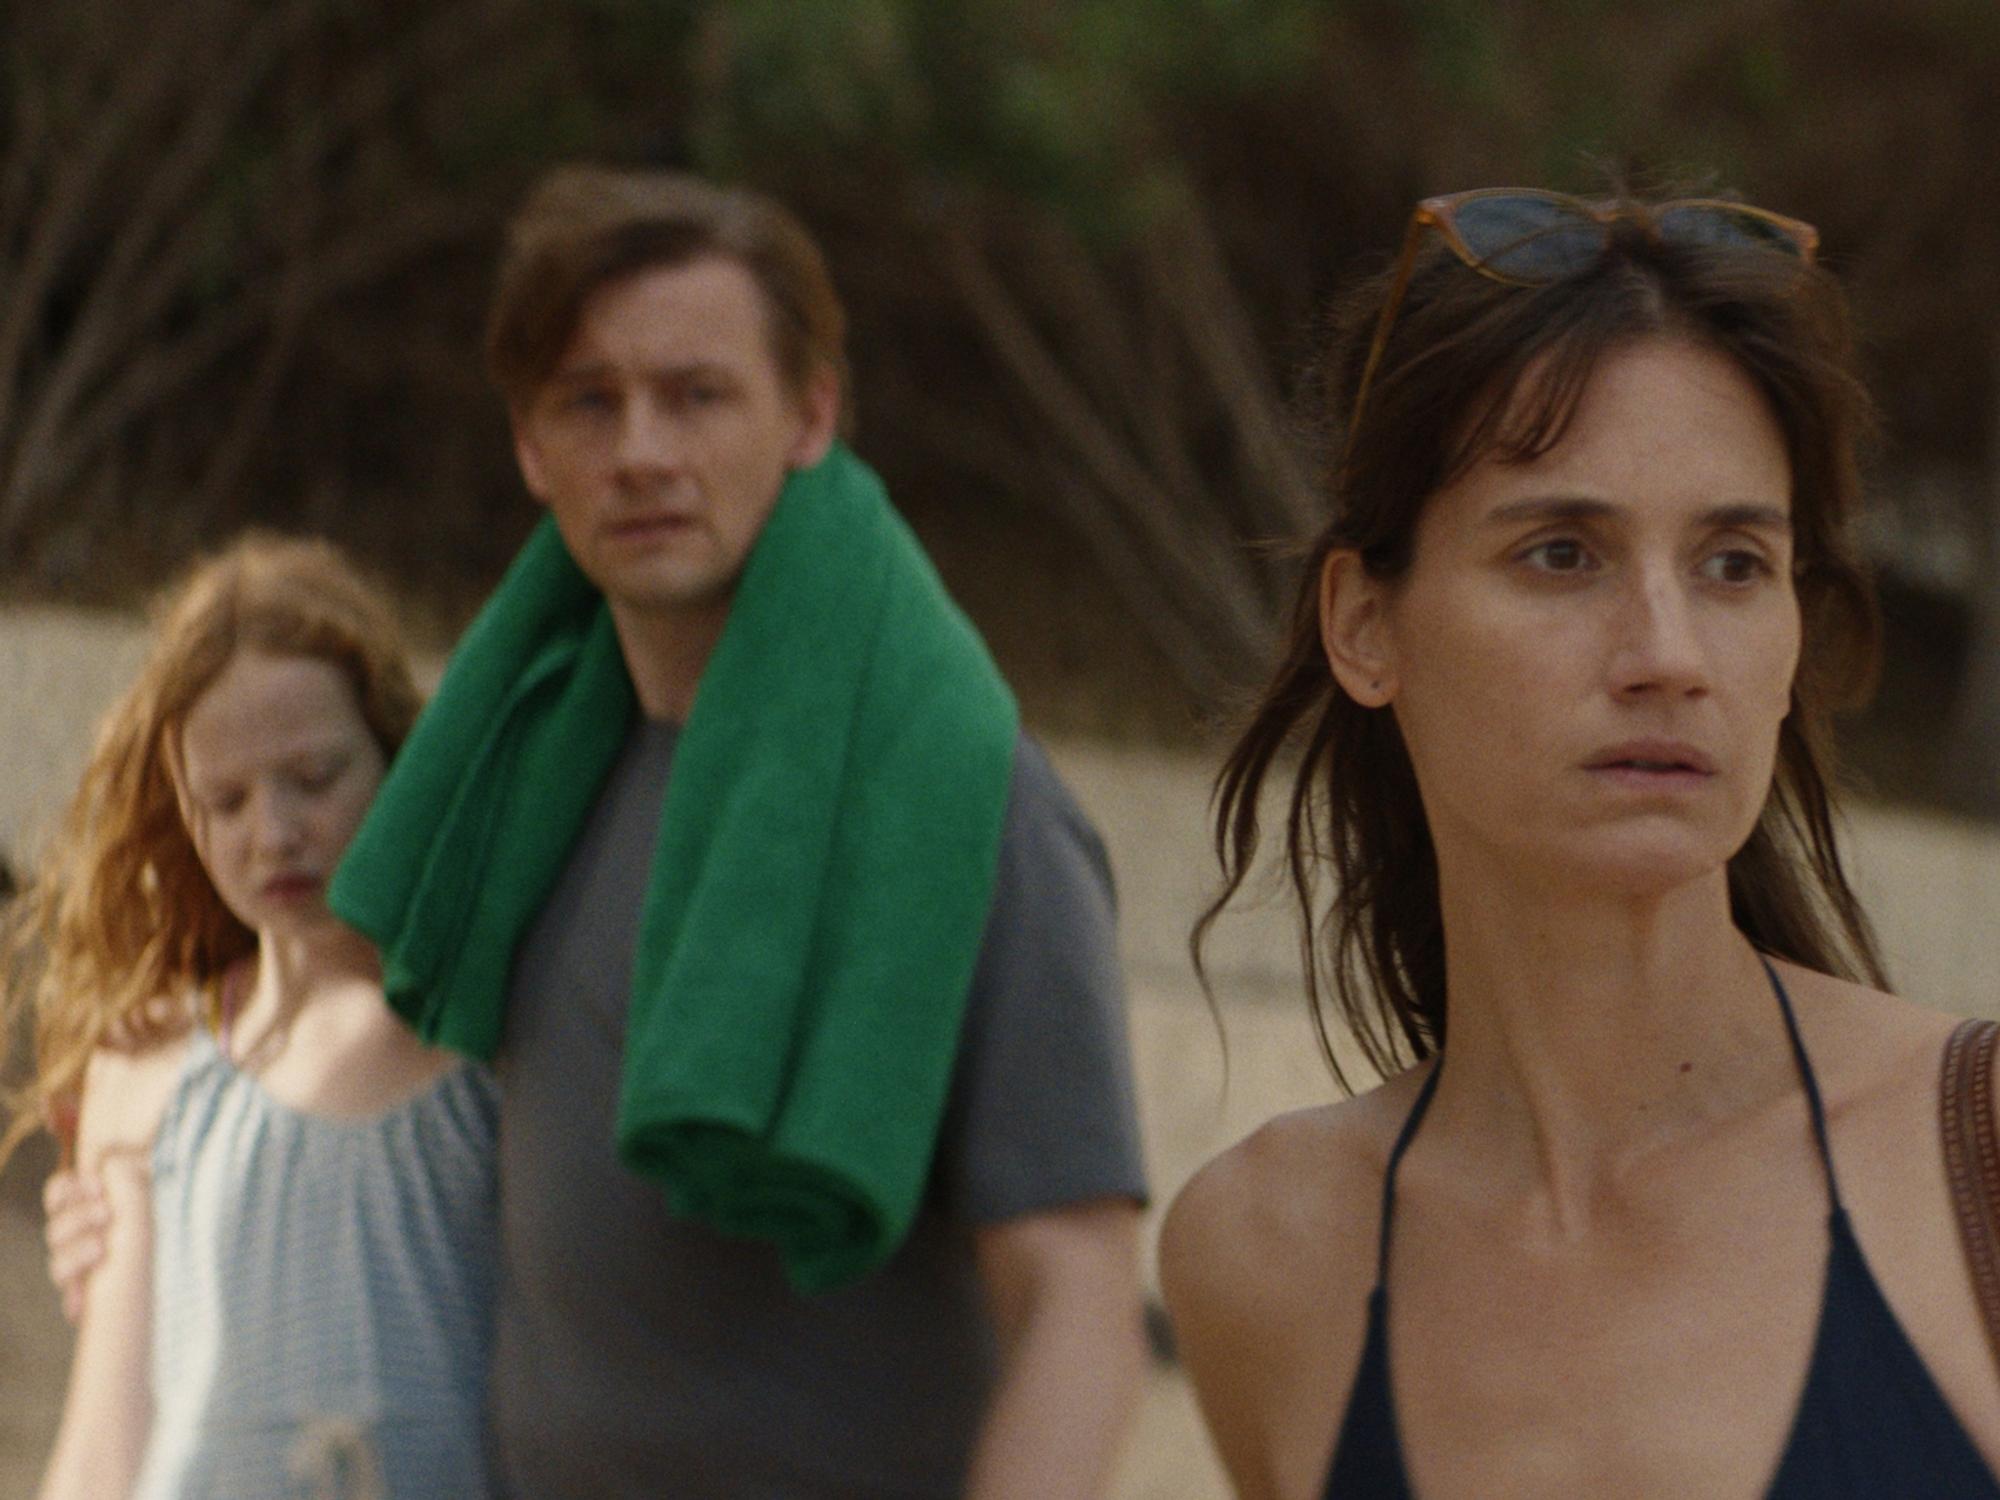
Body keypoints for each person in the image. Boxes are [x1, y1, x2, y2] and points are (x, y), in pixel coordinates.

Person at [51, 165, 1149, 1498]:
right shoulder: (515, 787)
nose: (640, 452)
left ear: (809, 415)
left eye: (697, 396)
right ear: (529, 445)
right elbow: (350, 1103)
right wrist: (131, 1209)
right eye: (589, 401)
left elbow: (1079, 1293)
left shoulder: (964, 798)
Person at [1159, 187, 2000, 1498]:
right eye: (1561, 553)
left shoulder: (1970, 1159)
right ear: (1364, 625)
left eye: (1733, 563)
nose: (1667, 653)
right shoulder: (1268, 1257)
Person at [6, 534, 498, 1499]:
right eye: (225, 801)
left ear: (395, 756)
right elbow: (105, 1444)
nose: (274, 833)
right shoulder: (150, 1065)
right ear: (182, 814)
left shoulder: (486, 1038)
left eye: (314, 778)